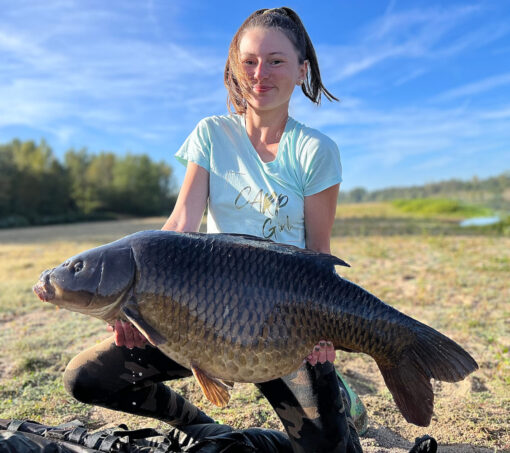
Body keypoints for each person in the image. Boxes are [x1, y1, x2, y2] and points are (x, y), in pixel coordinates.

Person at [63, 7, 366, 453]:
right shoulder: (211, 134)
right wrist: (132, 306)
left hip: (282, 327)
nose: (260, 74)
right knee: (87, 378)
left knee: (329, 452)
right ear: (234, 68)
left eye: (276, 61)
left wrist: (321, 335)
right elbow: (178, 228)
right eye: (249, 61)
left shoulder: (316, 150)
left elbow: (318, 254)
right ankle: (203, 428)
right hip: (198, 315)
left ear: (302, 71)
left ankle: (333, 390)